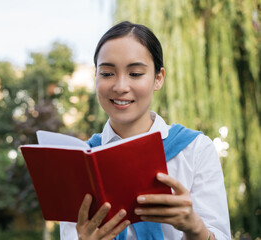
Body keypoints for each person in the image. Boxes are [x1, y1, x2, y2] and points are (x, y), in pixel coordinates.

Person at [59, 21, 231, 240]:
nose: (120, 86)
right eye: (107, 73)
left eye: (136, 73)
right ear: (95, 78)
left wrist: (195, 228)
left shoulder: (195, 150)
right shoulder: (78, 165)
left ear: (158, 79)